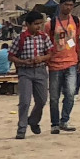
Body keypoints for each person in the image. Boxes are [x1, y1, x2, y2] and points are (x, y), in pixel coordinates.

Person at [11, 10, 54, 139]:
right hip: (25, 72)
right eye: (36, 24)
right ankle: (22, 128)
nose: (38, 27)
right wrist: (23, 62)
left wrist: (42, 58)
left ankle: (33, 120)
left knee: (41, 100)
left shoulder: (43, 37)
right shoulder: (20, 38)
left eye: (40, 24)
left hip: (40, 70)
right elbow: (11, 56)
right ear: (28, 25)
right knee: (24, 101)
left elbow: (50, 53)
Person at [46, 0, 80, 134]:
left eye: (71, 5)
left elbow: (78, 40)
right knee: (54, 96)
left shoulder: (76, 21)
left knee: (71, 93)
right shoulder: (51, 24)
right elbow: (46, 43)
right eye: (66, 4)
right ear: (60, 5)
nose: (68, 7)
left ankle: (64, 120)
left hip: (71, 62)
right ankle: (55, 124)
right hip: (55, 64)